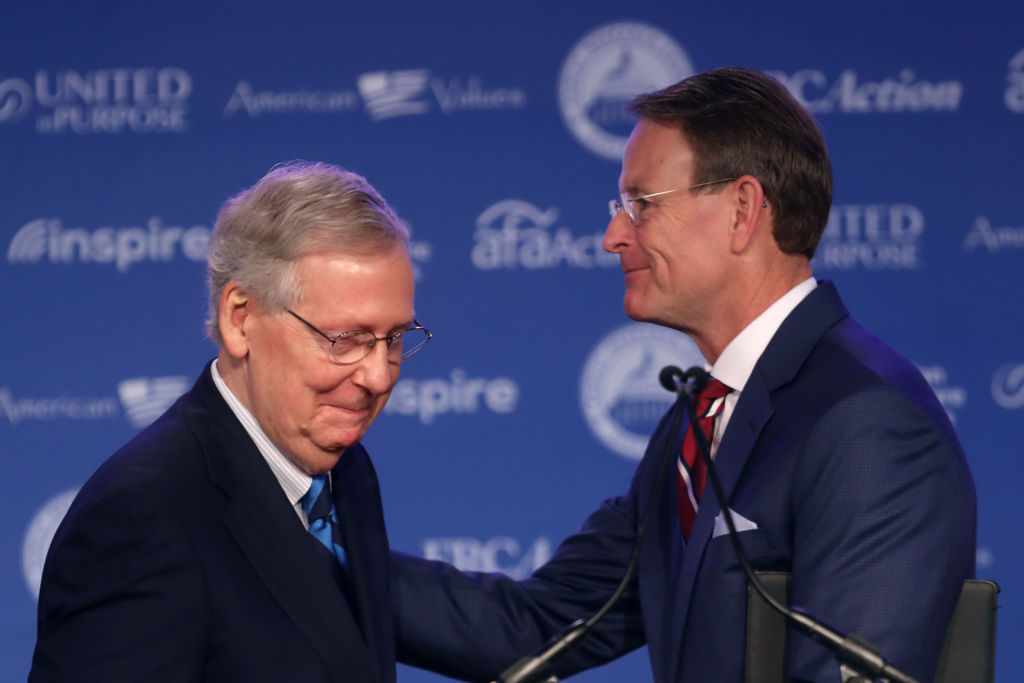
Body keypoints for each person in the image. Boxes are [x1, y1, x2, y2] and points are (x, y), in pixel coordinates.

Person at [391, 67, 976, 682]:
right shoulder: (704, 414)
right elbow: (542, 624)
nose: (612, 236)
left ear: (742, 211)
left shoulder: (868, 423)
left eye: (641, 204)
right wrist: (307, 556)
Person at [30, 161, 431, 683]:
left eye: (395, 338)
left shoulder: (346, 473)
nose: (378, 376)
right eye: (346, 339)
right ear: (240, 318)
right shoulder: (141, 519)